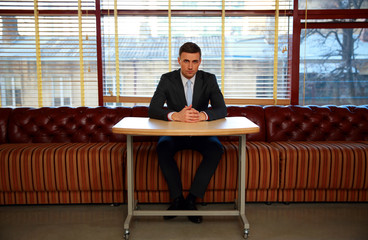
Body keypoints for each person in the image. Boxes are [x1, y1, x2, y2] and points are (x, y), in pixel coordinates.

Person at [148, 42, 227, 224]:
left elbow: (222, 109)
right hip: (175, 135)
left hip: (201, 135)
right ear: (179, 61)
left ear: (200, 62)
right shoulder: (167, 79)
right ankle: (177, 200)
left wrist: (202, 115)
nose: (190, 66)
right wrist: (176, 115)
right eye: (186, 61)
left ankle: (191, 199)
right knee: (162, 147)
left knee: (216, 149)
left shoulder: (209, 79)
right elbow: (153, 109)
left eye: (194, 61)